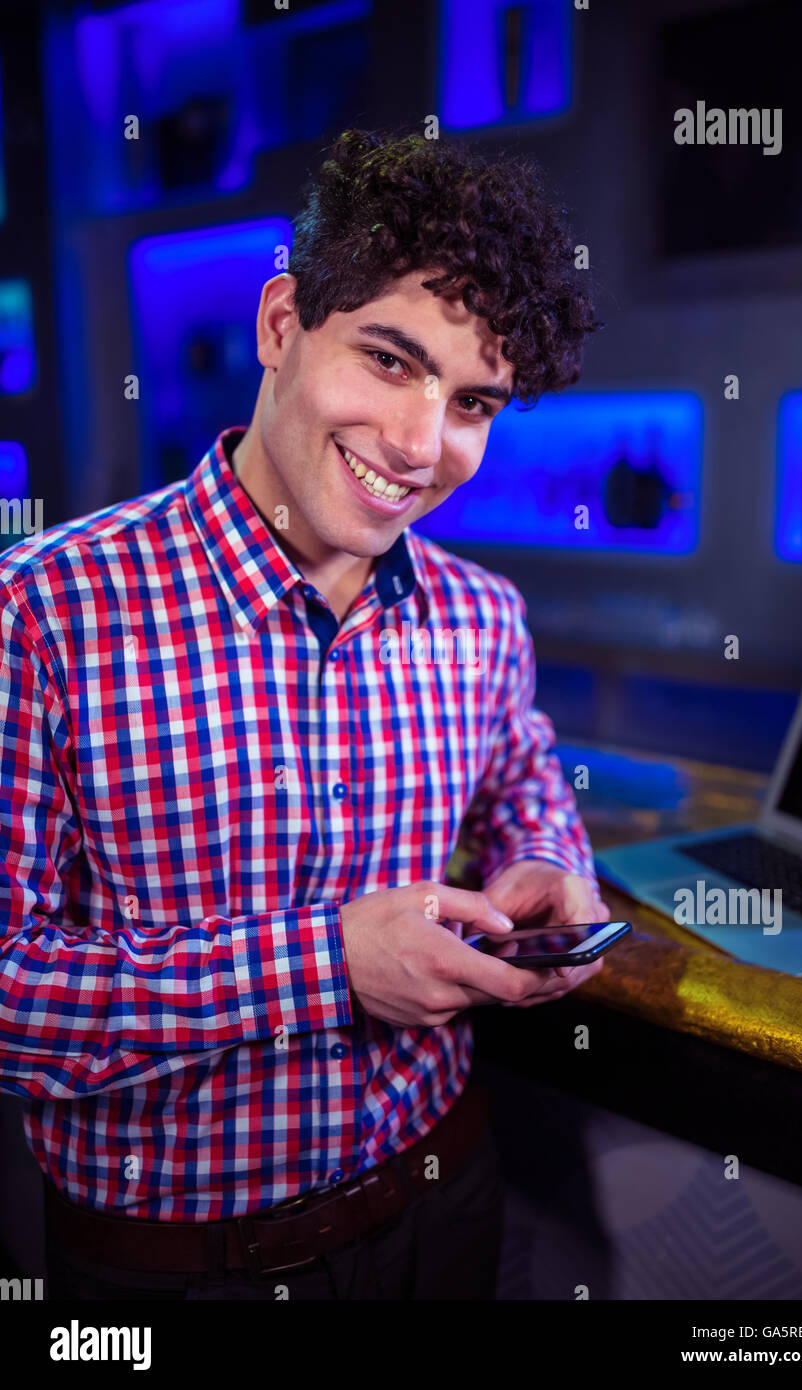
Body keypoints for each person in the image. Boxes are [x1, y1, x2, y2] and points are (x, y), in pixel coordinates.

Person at [0, 129, 607, 1301]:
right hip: (178, 1270)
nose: (421, 446)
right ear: (282, 325)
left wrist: (546, 853)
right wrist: (324, 961)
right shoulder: (42, 613)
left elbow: (522, 768)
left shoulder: (482, 617)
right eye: (389, 360)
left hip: (446, 1199)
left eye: (472, 401)